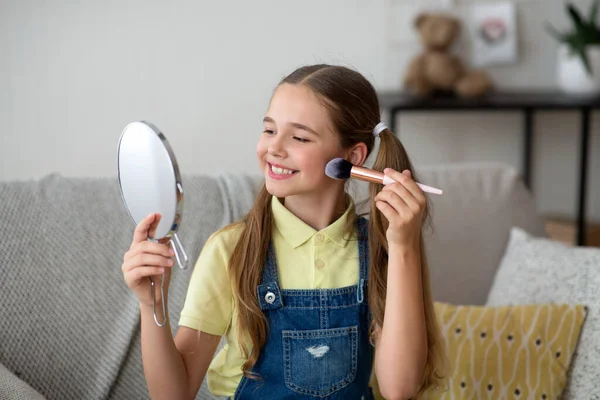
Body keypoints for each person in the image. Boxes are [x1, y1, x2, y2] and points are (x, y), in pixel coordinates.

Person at [121, 64, 446, 400]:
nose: (274, 148)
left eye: (299, 137)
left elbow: (399, 388)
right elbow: (172, 395)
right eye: (269, 130)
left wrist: (403, 247)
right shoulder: (231, 249)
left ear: (352, 158)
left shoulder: (385, 249)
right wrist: (151, 305)